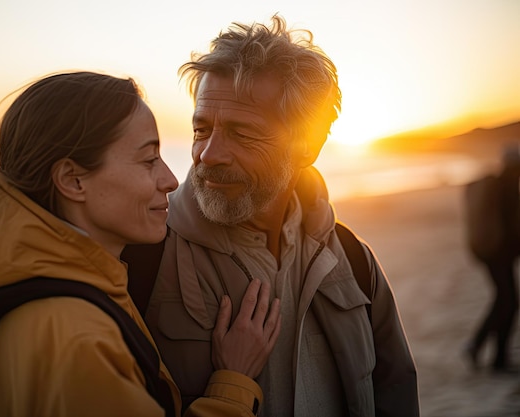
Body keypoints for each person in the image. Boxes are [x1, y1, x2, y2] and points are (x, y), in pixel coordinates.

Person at [122, 15, 419, 416]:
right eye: (201, 130)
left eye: (242, 133)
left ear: (306, 145)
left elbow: (395, 390)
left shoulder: (354, 260)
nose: (209, 155)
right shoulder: (139, 259)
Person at [0, 71, 281, 416]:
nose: (171, 180)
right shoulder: (75, 337)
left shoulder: (65, 284)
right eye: (148, 160)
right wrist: (233, 385)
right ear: (73, 180)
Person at [465, 145, 520, 372]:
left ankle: (490, 352)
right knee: (508, 302)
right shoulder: (507, 189)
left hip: (489, 252)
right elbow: (513, 228)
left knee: (504, 300)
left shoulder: (498, 185)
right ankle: (489, 352)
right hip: (500, 254)